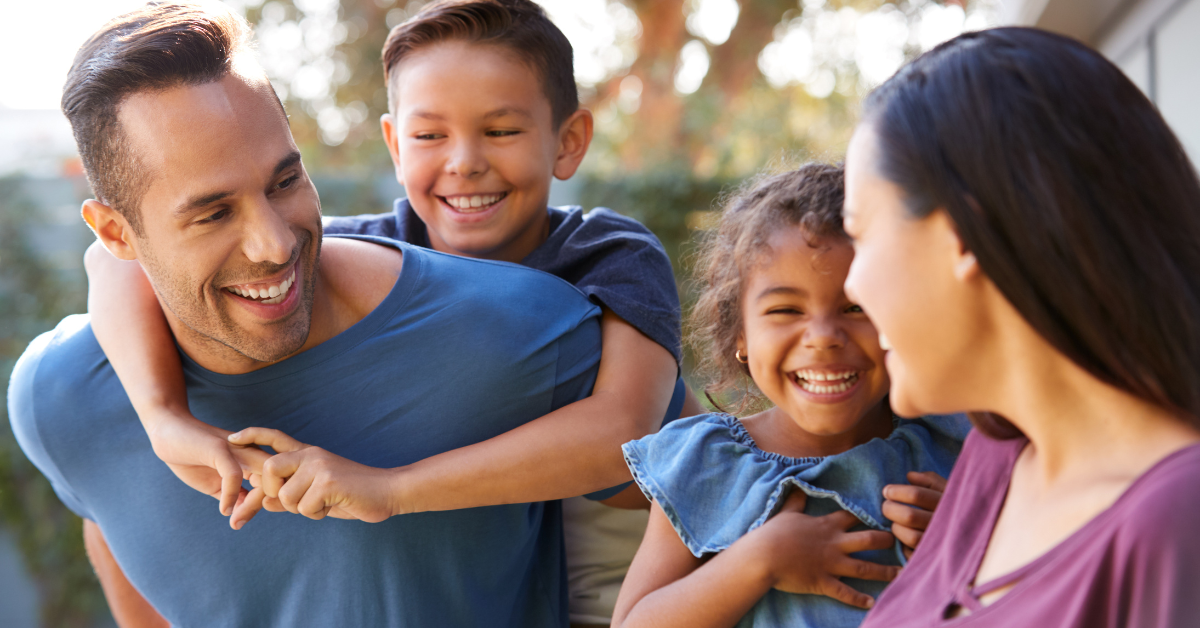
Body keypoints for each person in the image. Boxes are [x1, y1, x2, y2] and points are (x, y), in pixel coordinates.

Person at [81, 1, 700, 624]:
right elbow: (113, 261)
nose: (464, 161)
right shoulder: (368, 258)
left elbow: (630, 431)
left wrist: (391, 489)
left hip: (614, 545)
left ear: (568, 142)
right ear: (395, 147)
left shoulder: (607, 254)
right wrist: (162, 418)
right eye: (430, 135)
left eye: (501, 131)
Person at [842, 28, 1200, 627]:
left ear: (962, 232)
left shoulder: (1175, 520)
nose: (852, 285)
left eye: (860, 234)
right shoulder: (996, 455)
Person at [610, 163, 969, 628]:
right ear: (739, 333)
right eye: (785, 309)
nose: (823, 336)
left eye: (856, 306)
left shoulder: (952, 446)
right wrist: (759, 561)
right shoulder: (705, 465)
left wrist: (967, 536)